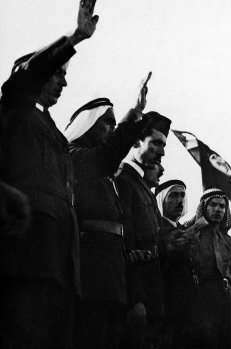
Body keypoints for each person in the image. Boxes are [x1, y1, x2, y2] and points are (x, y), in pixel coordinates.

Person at [0, 0, 98, 349]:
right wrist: (75, 38)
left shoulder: (53, 132)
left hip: (60, 268)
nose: (64, 81)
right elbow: (27, 75)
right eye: (57, 73)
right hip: (23, 261)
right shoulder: (14, 108)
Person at [67, 76, 152, 349]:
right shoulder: (76, 156)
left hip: (112, 277)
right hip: (89, 276)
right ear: (88, 124)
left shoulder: (106, 175)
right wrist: (135, 113)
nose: (112, 129)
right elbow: (108, 154)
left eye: (115, 124)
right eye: (107, 122)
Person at [116, 114, 170, 349]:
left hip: (151, 290)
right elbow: (126, 245)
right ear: (136, 142)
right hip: (134, 293)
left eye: (164, 145)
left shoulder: (143, 187)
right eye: (156, 143)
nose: (162, 152)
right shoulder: (123, 180)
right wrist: (135, 298)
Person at [186, 188, 231, 349]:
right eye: (213, 205)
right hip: (201, 299)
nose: (218, 209)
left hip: (225, 301)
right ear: (204, 207)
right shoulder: (191, 233)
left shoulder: (227, 240)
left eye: (222, 206)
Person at [156, 180, 196, 349]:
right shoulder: (156, 229)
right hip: (164, 307)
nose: (180, 200)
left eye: (182, 195)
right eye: (173, 195)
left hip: (185, 309)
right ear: (161, 200)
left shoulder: (182, 229)